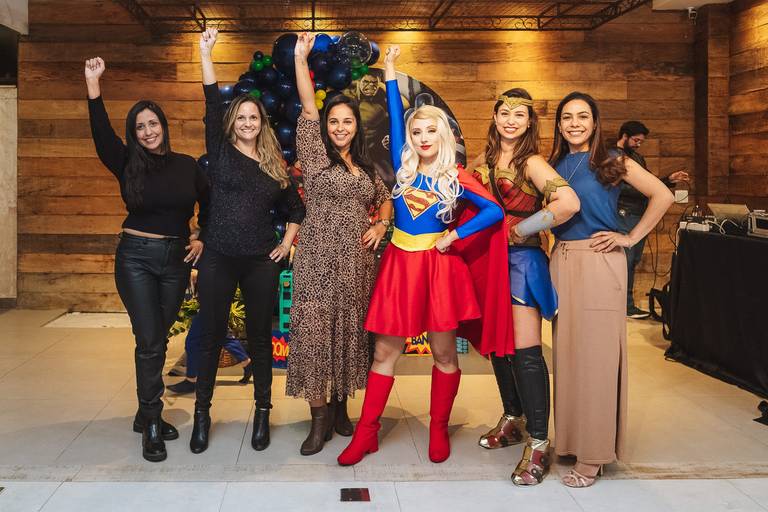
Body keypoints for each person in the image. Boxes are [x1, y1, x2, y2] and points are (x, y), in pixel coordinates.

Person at [337, 45, 514, 466]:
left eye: (430, 131)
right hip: (400, 265)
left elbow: (493, 211)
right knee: (385, 353)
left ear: (443, 135)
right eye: (416, 132)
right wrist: (390, 69)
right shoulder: (404, 168)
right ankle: (366, 433)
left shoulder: (456, 176)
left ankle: (438, 429)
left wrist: (455, 235)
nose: (422, 138)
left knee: (444, 353)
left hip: (438, 269)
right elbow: (394, 114)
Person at [85, 57, 209, 462]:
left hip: (175, 260)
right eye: (140, 127)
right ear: (134, 133)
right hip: (135, 258)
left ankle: (145, 411)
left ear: (163, 126)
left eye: (153, 123)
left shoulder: (188, 166)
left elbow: (208, 206)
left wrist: (201, 237)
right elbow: (101, 135)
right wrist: (93, 85)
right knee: (150, 339)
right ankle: (152, 423)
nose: (148, 131)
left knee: (158, 336)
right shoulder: (126, 163)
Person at [548, 92, 674, 487]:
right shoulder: (553, 164)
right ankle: (572, 441)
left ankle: (594, 455)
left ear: (595, 121)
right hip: (562, 260)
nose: (574, 123)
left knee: (597, 361)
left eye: (582, 116)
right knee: (568, 358)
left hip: (600, 260)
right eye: (567, 117)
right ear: (559, 124)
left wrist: (630, 237)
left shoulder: (612, 160)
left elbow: (663, 195)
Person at [191, 28, 306, 455]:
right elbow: (210, 100)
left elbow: (296, 209)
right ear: (232, 123)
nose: (246, 123)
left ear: (262, 123)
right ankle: (201, 415)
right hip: (219, 257)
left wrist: (287, 243)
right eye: (240, 117)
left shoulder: (275, 165)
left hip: (260, 261)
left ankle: (262, 413)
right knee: (210, 337)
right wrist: (206, 54)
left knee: (259, 339)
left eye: (253, 117)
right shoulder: (220, 152)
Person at [288, 33, 393, 456]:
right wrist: (301, 58)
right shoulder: (316, 156)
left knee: (350, 335)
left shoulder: (365, 166)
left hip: (356, 265)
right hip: (316, 260)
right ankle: (318, 421)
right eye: (334, 122)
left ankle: (341, 407)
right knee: (315, 337)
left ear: (356, 126)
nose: (340, 128)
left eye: (347, 122)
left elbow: (385, 200)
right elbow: (307, 106)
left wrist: (381, 225)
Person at [472, 88, 580, 485]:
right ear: (495, 116)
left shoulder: (532, 162)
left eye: (519, 115)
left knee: (525, 352)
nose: (511, 120)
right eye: (505, 112)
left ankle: (538, 442)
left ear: (530, 121)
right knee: (498, 348)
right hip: (489, 262)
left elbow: (568, 203)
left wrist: (522, 229)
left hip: (521, 261)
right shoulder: (483, 160)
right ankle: (513, 418)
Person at [614, 121, 689, 319]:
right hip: (624, 214)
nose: (639, 144)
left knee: (634, 260)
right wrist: (650, 191)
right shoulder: (613, 157)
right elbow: (622, 188)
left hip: (639, 214)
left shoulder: (638, 158)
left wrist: (668, 180)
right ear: (624, 136)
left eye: (641, 141)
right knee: (625, 261)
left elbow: (650, 185)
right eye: (636, 140)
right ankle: (623, 306)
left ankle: (627, 305)